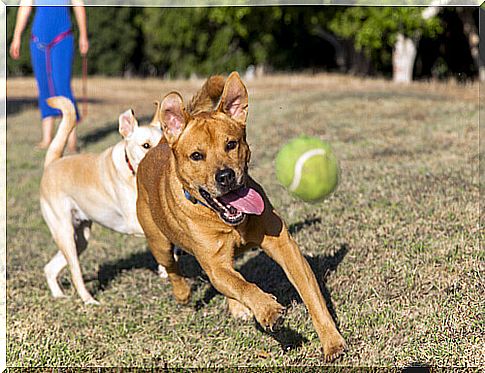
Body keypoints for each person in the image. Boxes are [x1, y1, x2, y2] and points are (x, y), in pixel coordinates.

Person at [10, 0, 89, 152]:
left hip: (62, 38)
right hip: (38, 40)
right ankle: (47, 138)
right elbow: (25, 7)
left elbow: (79, 6)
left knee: (62, 86)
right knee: (44, 87)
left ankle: (71, 139)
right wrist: (17, 37)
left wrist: (83, 36)